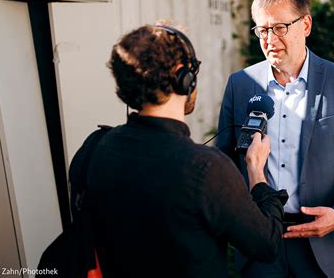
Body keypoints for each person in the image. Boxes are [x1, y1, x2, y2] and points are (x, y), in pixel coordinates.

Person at [80, 24, 288, 277]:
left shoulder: (97, 145)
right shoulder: (207, 168)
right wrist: (256, 170)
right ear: (183, 77)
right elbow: (266, 245)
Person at [216, 0, 334, 278]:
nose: (269, 39)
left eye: (279, 27)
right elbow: (224, 164)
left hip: (322, 247)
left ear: (306, 24)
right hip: (259, 246)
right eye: (262, 29)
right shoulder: (240, 84)